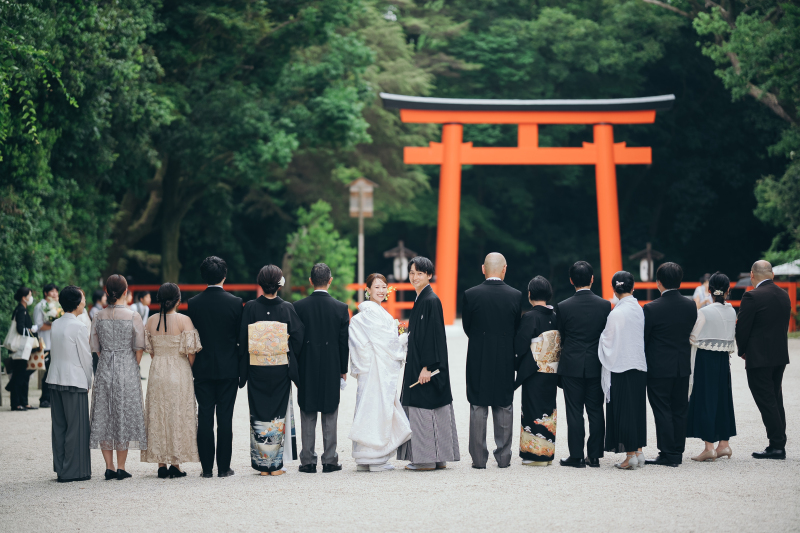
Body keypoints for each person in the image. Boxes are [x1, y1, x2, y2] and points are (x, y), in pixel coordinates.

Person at [239, 265, 304, 476]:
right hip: (278, 368)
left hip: (257, 367)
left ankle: (261, 465)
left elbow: (242, 339)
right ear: (279, 284)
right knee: (277, 415)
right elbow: (299, 337)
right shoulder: (286, 308)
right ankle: (275, 465)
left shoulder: (250, 307)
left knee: (258, 414)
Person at [397, 256, 460, 471]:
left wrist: (427, 367)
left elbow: (433, 336)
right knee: (434, 407)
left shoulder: (430, 300)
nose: (414, 277)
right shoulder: (422, 298)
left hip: (425, 366)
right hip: (423, 363)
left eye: (420, 273)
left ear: (429, 275)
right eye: (412, 273)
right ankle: (438, 457)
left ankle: (424, 460)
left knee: (422, 408)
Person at [462, 252, 520, 469]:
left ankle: (478, 459)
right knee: (504, 404)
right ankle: (504, 458)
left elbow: (468, 326)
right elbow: (516, 328)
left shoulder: (471, 294)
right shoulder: (515, 295)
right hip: (505, 355)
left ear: (483, 269)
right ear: (504, 269)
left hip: (478, 354)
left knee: (478, 404)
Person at [348, 273, 412, 472]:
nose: (381, 291)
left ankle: (366, 458)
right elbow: (386, 342)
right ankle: (375, 459)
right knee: (377, 408)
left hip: (373, 368)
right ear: (367, 290)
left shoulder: (373, 312)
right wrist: (403, 339)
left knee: (371, 408)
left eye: (384, 287)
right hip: (376, 369)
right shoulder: (370, 312)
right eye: (377, 287)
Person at [187, 256, 243, 478]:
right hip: (229, 367)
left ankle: (206, 468)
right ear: (224, 275)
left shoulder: (193, 303)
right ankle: (223, 468)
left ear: (203, 276)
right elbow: (240, 338)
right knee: (225, 418)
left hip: (202, 367)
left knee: (205, 416)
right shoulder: (236, 303)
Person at [292, 263, 350, 474]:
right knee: (330, 410)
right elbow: (343, 342)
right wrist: (342, 368)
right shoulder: (341, 308)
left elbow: (295, 341)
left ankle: (307, 460)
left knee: (307, 411)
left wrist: (295, 366)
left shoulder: (297, 307)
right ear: (330, 280)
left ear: (310, 281)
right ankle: (330, 460)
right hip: (331, 364)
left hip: (306, 364)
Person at [89, 274, 147, 480]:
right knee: (123, 413)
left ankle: (109, 466)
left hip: (105, 366)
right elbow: (139, 347)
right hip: (127, 366)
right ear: (125, 291)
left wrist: (107, 358)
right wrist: (132, 364)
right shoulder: (134, 316)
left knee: (105, 414)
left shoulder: (98, 316)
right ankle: (121, 466)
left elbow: (95, 347)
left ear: (107, 292)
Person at [141, 283, 202, 478]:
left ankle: (161, 464)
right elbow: (191, 353)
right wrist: (185, 367)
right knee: (178, 414)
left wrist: (162, 360)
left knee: (158, 414)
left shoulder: (151, 321)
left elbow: (150, 350)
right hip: (180, 368)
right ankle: (176, 464)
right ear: (178, 299)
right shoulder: (185, 320)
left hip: (157, 369)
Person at [556, 261, 611, 468]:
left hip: (572, 363)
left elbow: (561, 335)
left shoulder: (563, 306)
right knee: (596, 410)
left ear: (571, 280)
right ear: (592, 279)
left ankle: (576, 456)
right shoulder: (605, 305)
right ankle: (595, 455)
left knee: (574, 411)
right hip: (596, 364)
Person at [735, 260, 792, 459]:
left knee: (766, 400)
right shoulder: (784, 294)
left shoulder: (752, 296)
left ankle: (777, 445)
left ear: (752, 275)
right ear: (772, 275)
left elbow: (742, 327)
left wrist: (742, 350)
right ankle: (778, 443)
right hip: (779, 355)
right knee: (776, 399)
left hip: (759, 356)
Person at [642, 262, 697, 467]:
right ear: (680, 281)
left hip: (658, 367)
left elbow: (644, 339)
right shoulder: (690, 305)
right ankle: (677, 451)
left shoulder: (651, 308)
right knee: (680, 408)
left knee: (662, 409)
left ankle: (667, 453)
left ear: (658, 283)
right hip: (682, 364)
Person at [598, 271, 648, 470]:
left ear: (614, 290)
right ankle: (638, 451)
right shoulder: (638, 309)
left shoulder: (616, 312)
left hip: (621, 366)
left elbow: (607, 339)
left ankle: (629, 456)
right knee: (636, 409)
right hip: (638, 364)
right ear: (633, 287)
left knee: (625, 411)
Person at [687, 272, 737, 461]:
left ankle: (709, 447)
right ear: (728, 290)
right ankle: (724, 444)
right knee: (723, 399)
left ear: (709, 290)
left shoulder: (705, 312)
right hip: (723, 360)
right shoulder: (732, 311)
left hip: (705, 359)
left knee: (706, 400)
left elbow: (693, 336)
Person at [47, 286, 93, 482]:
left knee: (59, 427)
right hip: (74, 381)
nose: (84, 302)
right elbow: (86, 358)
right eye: (82, 299)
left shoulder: (56, 324)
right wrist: (89, 380)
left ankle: (61, 468)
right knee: (77, 428)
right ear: (76, 303)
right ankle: (75, 471)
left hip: (55, 379)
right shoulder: (79, 327)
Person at [514, 276, 560, 466]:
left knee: (533, 409)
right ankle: (547, 453)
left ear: (530, 294)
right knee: (548, 411)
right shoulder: (555, 316)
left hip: (534, 371)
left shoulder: (530, 317)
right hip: (551, 371)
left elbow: (520, 346)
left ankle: (535, 455)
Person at [6, 287, 39, 411]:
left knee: (22, 376)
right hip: (19, 348)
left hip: (23, 348)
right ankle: (16, 403)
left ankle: (23, 402)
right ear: (24, 297)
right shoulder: (21, 310)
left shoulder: (22, 309)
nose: (31, 298)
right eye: (29, 295)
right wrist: (32, 331)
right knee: (19, 376)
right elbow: (20, 329)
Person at [33, 283, 59, 408]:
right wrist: (55, 324)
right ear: (45, 293)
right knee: (47, 373)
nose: (55, 294)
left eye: (56, 292)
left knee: (51, 372)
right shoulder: (40, 306)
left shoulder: (55, 306)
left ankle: (48, 398)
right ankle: (44, 399)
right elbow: (39, 326)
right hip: (44, 343)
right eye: (52, 291)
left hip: (53, 343)